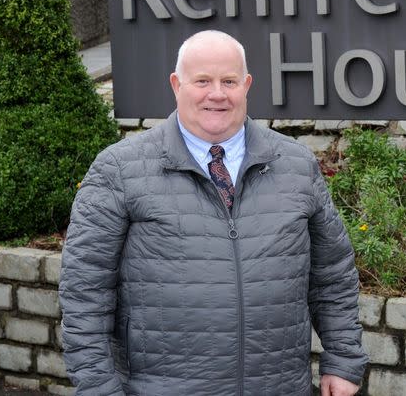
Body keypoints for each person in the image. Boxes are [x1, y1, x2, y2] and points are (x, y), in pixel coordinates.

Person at [59, 30, 367, 396]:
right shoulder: (119, 169)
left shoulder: (296, 164)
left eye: (229, 81)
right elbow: (84, 293)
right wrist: (98, 388)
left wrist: (343, 360)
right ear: (177, 84)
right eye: (202, 80)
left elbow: (332, 276)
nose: (217, 94)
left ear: (247, 85)